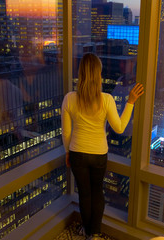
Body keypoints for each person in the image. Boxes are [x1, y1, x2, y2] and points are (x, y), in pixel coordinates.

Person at [61, 53, 144, 239]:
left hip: (77, 153)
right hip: (99, 154)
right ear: (98, 74)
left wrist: (67, 152)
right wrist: (130, 102)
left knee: (84, 193)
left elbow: (66, 133)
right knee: (97, 192)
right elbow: (120, 127)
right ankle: (95, 233)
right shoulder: (106, 99)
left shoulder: (69, 98)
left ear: (81, 73)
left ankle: (87, 231)